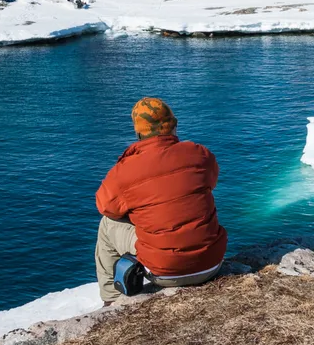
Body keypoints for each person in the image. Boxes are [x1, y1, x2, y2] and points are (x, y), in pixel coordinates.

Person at [94, 98, 228, 304]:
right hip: (211, 263)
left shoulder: (125, 170)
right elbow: (211, 181)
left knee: (107, 224)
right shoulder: (200, 154)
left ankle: (112, 301)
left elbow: (105, 207)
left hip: (164, 273)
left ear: (138, 133)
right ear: (174, 125)